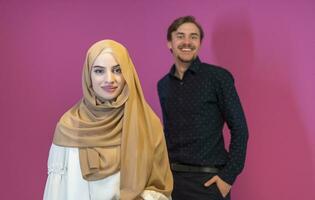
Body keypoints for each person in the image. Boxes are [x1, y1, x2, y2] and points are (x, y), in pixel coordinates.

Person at [43, 39, 173, 200]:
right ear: (88, 75)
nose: (109, 79)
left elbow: (160, 188)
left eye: (118, 70)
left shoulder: (147, 124)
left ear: (128, 74)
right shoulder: (69, 126)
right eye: (99, 71)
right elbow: (56, 192)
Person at [157, 16, 249, 200]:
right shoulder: (163, 85)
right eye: (180, 36)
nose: (187, 42)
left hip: (208, 183)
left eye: (193, 37)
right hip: (171, 182)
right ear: (170, 42)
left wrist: (227, 178)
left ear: (199, 43)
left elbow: (240, 129)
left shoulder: (218, 78)